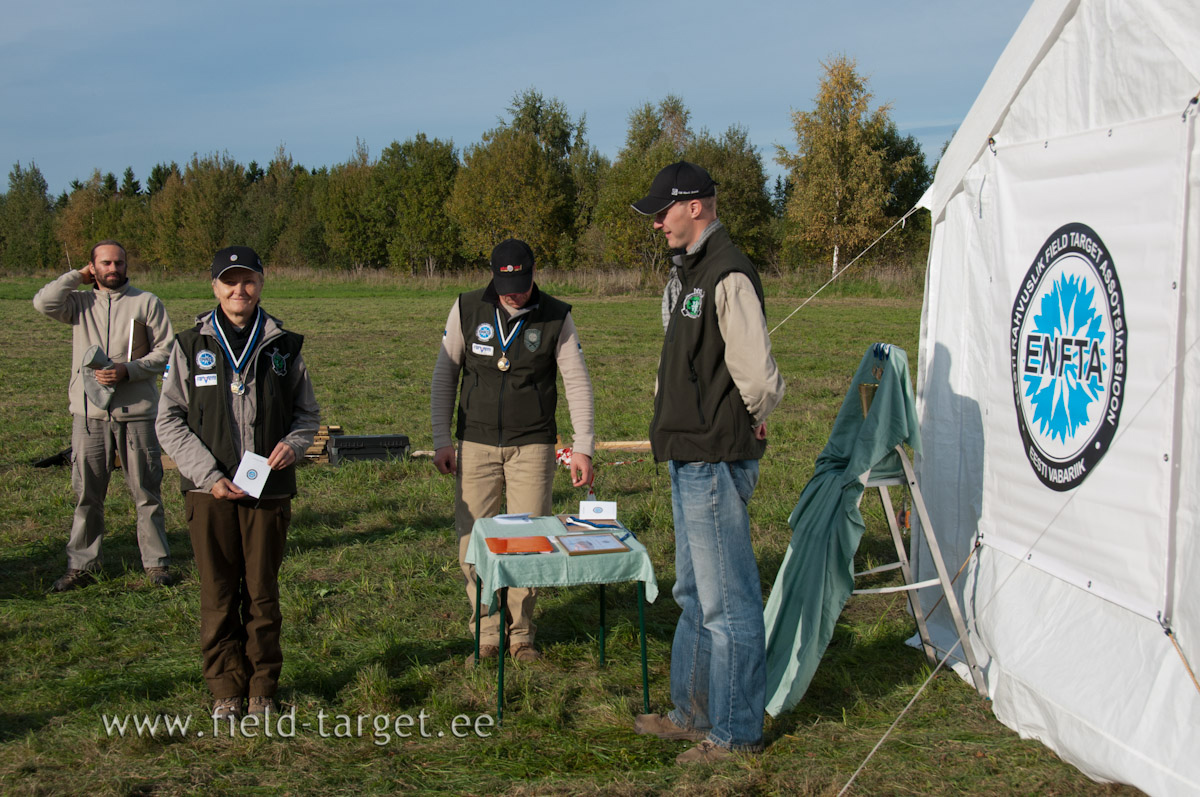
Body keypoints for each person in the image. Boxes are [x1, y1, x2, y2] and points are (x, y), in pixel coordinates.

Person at [630, 162, 785, 764]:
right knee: (694, 592)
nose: (658, 224)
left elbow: (757, 374)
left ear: (695, 206)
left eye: (663, 211)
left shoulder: (728, 273)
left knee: (730, 603)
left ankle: (736, 733)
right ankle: (692, 714)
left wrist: (749, 417)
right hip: (689, 456)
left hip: (714, 457)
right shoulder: (690, 274)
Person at [156, 246, 319, 720]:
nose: (238, 290)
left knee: (263, 592)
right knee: (219, 592)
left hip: (269, 490)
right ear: (214, 288)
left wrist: (295, 444)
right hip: (209, 493)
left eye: (247, 280)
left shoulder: (284, 346)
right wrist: (208, 476)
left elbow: (308, 415)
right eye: (229, 281)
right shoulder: (189, 346)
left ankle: (263, 687)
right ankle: (227, 687)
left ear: (261, 283)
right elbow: (168, 420)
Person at [431, 238, 595, 664]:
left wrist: (584, 447)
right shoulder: (467, 308)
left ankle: (522, 635)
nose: (513, 294)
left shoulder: (557, 315)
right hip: (475, 443)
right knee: (474, 544)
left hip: (533, 446)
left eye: (521, 285)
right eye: (506, 286)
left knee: (527, 543)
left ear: (533, 274)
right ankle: (487, 633)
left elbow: (577, 381)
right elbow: (445, 375)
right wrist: (441, 438)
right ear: (493, 275)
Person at [33, 240, 175, 591]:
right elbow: (42, 302)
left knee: (146, 492)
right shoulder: (78, 303)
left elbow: (168, 350)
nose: (114, 269)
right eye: (106, 263)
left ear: (127, 266)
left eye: (119, 263)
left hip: (138, 414)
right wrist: (75, 277)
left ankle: (156, 564)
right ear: (93, 268)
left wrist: (129, 370)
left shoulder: (146, 302)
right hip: (89, 414)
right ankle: (81, 565)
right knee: (88, 495)